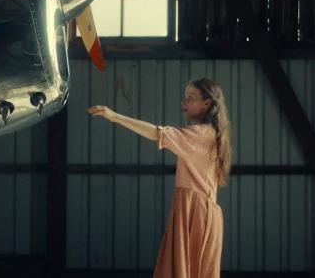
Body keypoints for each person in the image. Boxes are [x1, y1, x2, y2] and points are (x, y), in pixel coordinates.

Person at [87, 77, 231, 278]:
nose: (184, 102)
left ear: (207, 103)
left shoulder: (201, 134)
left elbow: (157, 133)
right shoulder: (209, 133)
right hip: (199, 209)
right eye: (184, 97)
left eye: (190, 97)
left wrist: (115, 116)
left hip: (196, 211)